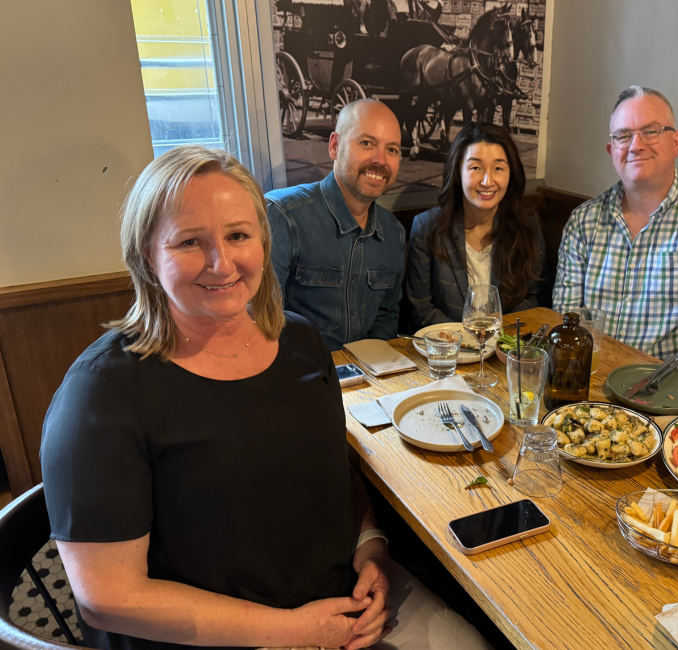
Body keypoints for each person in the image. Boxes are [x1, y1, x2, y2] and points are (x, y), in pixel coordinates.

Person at [39, 145, 492, 650]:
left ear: (263, 240)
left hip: (339, 600)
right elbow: (107, 597)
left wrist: (371, 549)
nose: (222, 263)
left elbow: (332, 470)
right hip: (215, 638)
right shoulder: (101, 395)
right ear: (147, 255)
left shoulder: (300, 341)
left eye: (238, 235)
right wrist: (299, 630)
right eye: (189, 242)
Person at [552, 86, 678, 374]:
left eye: (650, 132)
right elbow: (566, 314)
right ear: (611, 150)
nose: (636, 145)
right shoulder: (583, 221)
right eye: (623, 136)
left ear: (676, 142)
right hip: (585, 376)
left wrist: (653, 383)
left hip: (668, 386)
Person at [266, 99, 405, 352]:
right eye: (367, 143)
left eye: (392, 150)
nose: (380, 160)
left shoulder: (394, 232)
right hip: (302, 371)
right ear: (334, 146)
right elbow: (264, 323)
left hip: (371, 371)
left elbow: (386, 318)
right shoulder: (283, 216)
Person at [406, 122, 544, 327]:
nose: (487, 181)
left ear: (511, 174)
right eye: (476, 168)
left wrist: (497, 338)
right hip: (448, 345)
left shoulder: (528, 227)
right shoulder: (426, 228)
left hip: (505, 343)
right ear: (458, 171)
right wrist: (467, 340)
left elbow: (533, 299)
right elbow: (421, 310)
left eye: (498, 168)